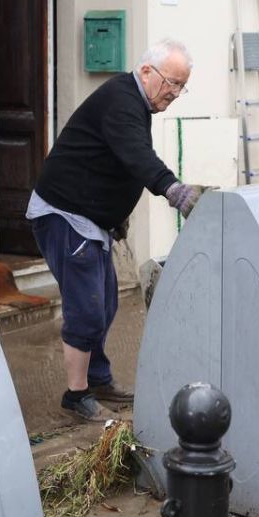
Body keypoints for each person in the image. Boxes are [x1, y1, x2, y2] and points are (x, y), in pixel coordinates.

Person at [27, 39, 206, 421]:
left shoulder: (134, 103)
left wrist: (114, 215)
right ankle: (75, 396)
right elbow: (137, 156)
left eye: (181, 86)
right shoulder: (122, 101)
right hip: (65, 215)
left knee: (106, 303)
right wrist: (173, 190)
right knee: (87, 309)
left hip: (90, 220)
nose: (174, 93)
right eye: (171, 83)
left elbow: (116, 158)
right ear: (146, 72)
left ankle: (98, 378)